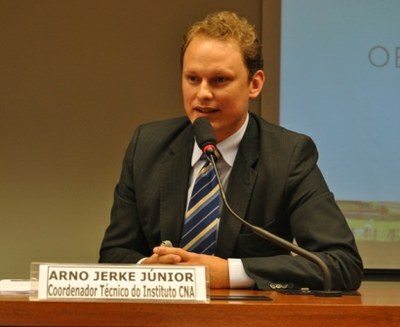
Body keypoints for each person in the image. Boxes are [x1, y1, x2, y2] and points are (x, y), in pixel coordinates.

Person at [99, 11, 363, 290]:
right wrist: (147, 270)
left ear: (255, 84)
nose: (202, 93)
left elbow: (341, 264)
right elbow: (114, 254)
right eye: (192, 78)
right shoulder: (147, 146)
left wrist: (230, 272)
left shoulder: (288, 156)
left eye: (219, 80)